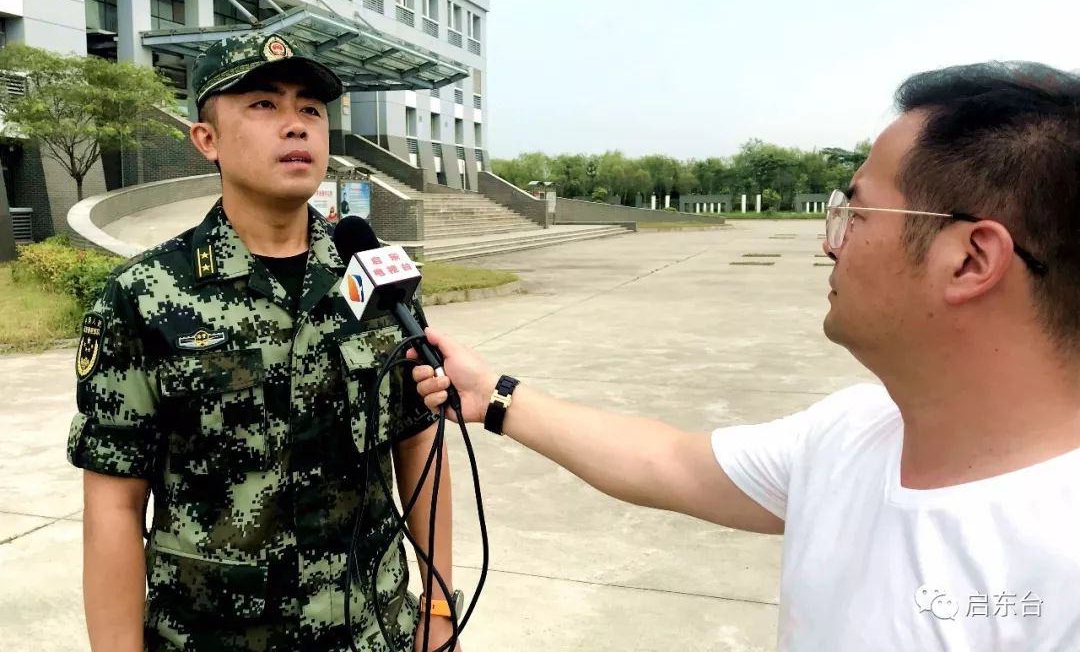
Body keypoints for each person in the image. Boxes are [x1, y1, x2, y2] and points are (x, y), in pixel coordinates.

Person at [410, 62, 1080, 651]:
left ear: (970, 259)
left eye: (858, 213)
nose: (830, 243)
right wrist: (494, 394)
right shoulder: (851, 434)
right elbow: (668, 462)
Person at [67, 32, 461, 652]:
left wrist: (439, 613)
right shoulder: (141, 298)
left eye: (310, 109)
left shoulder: (377, 277)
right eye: (263, 105)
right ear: (207, 140)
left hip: (372, 633)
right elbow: (114, 507)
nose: (296, 126)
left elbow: (420, 451)